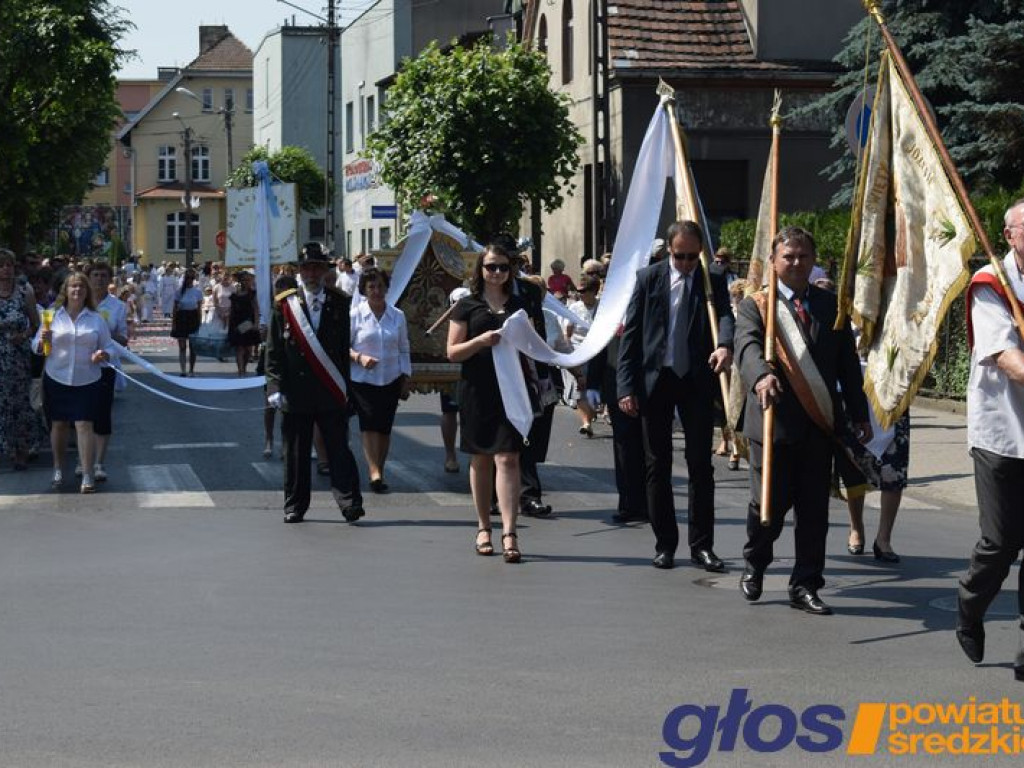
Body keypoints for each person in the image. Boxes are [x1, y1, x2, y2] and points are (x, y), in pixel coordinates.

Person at [734, 226, 871, 615]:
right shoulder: (757, 305)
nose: (796, 263)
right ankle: (755, 565)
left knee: (814, 512)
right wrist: (761, 375)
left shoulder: (831, 305)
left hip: (818, 425)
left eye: (803, 257)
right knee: (769, 507)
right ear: (775, 261)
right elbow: (746, 345)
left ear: (813, 262)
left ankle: (806, 583)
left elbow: (846, 365)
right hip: (772, 421)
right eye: (788, 257)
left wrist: (859, 413)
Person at [617, 220, 735, 571]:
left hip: (696, 378)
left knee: (700, 464)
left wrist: (725, 344)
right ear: (669, 250)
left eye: (692, 257)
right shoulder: (648, 279)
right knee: (658, 463)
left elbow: (726, 315)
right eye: (680, 256)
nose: (685, 264)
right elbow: (631, 336)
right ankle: (665, 543)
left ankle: (702, 545)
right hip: (657, 379)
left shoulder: (711, 279)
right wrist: (626, 386)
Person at [956, 198, 1024, 680]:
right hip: (1002, 433)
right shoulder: (990, 285)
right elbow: (1006, 358)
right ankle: (969, 605)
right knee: (1001, 542)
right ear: (1010, 236)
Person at [265, 241, 364, 524]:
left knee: (338, 449)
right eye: (306, 267)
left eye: (317, 267)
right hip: (296, 391)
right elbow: (274, 350)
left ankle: (349, 502)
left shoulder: (340, 302)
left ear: (324, 271)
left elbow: (344, 349)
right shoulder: (284, 304)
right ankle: (294, 505)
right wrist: (274, 385)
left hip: (330, 388)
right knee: (295, 453)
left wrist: (347, 389)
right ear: (299, 271)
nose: (311, 272)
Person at [447, 241, 526, 563]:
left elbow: (531, 344)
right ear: (480, 270)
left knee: (508, 458)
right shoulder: (467, 306)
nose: (496, 272)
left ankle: (510, 532)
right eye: (491, 266)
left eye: (503, 267)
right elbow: (452, 352)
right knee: (480, 459)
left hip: (511, 388)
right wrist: (479, 341)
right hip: (477, 389)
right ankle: (483, 526)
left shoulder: (519, 304)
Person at [33, 272, 115, 493]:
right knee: (58, 425)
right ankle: (58, 469)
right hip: (57, 377)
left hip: (87, 379)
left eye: (81, 287)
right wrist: (42, 343)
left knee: (84, 424)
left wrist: (102, 355)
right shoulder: (52, 315)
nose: (77, 290)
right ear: (66, 291)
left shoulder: (96, 319)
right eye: (72, 287)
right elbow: (36, 347)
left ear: (86, 292)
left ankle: (87, 474)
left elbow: (109, 348)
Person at [349, 267, 412, 492]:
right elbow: (341, 347)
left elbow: (404, 348)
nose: (376, 291)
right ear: (364, 290)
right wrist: (359, 357)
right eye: (371, 287)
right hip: (363, 379)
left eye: (380, 286)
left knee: (384, 427)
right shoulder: (355, 314)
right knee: (369, 424)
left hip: (391, 377)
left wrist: (406, 376)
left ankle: (380, 469)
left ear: (387, 288)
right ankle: (373, 470)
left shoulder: (397, 315)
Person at [87, 260, 128, 482]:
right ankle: (83, 460)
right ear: (89, 278)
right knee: (82, 416)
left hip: (105, 366)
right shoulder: (79, 303)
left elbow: (124, 337)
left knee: (102, 415)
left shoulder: (117, 306)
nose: (100, 279)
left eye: (104, 275)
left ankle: (99, 463)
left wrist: (105, 337)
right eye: (96, 275)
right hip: (81, 366)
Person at [0, 248, 40, 470]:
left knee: (19, 403)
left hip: (17, 356)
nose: (6, 270)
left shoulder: (25, 291)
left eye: (9, 265)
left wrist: (23, 335)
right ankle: (7, 447)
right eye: (1, 265)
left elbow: (35, 324)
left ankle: (22, 450)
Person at [565, 274, 600, 437]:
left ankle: (591, 415)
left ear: (594, 291)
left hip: (598, 352)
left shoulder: (603, 307)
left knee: (594, 388)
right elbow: (568, 333)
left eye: (584, 291)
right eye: (579, 291)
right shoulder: (574, 308)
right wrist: (569, 353)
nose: (580, 294)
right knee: (580, 388)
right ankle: (586, 423)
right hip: (578, 351)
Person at [227, 270, 262, 376]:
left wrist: (256, 323)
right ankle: (241, 371)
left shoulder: (252, 294)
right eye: (244, 280)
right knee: (239, 348)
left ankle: (244, 367)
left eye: (248, 280)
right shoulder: (234, 294)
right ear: (240, 281)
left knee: (248, 349)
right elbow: (231, 310)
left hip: (249, 324)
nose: (246, 282)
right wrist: (229, 325)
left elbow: (256, 309)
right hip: (236, 323)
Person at [170, 268, 203, 376]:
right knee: (182, 346)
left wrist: (200, 322)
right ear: (184, 278)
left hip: (193, 318)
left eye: (192, 278)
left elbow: (199, 309)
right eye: (188, 278)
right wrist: (173, 323)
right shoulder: (179, 292)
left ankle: (191, 370)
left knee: (193, 347)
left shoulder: (197, 292)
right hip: (182, 317)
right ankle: (183, 369)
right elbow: (175, 308)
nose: (189, 280)